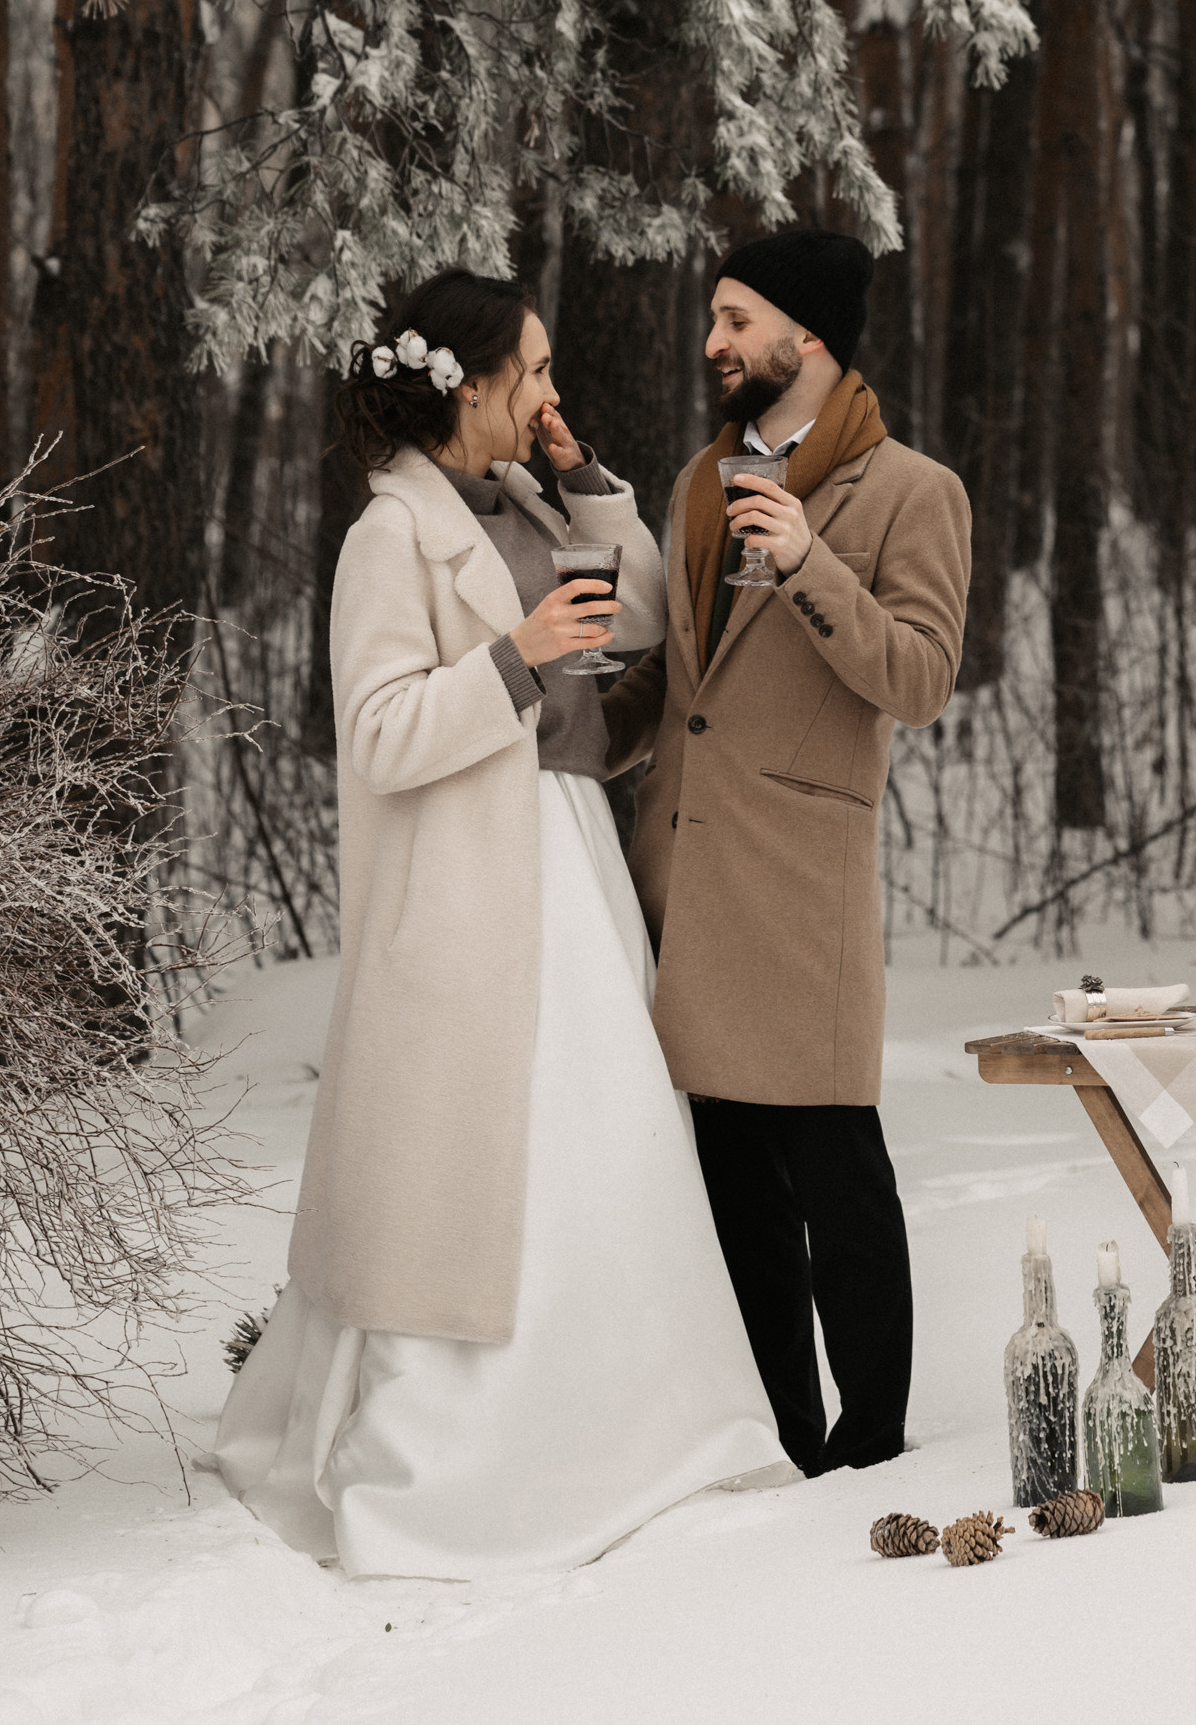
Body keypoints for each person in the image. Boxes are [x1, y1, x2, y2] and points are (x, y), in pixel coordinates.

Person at [217, 267, 788, 1578]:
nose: (547, 391)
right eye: (530, 371)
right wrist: (514, 656)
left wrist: (583, 479)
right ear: (465, 384)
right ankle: (459, 1461)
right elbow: (377, 733)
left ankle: (644, 1429)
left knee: (609, 1137)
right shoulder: (389, 538)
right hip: (469, 882)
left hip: (571, 860)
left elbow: (641, 615)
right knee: (483, 1161)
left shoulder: (530, 499)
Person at [615, 226, 971, 1478]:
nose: (711, 340)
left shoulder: (912, 491)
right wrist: (556, 721)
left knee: (837, 1170)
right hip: (684, 873)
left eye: (735, 317)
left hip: (803, 878)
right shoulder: (694, 481)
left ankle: (872, 1443)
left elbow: (919, 678)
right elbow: (681, 685)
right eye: (712, 317)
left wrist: (809, 561)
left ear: (806, 334)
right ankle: (785, 1439)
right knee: (731, 1185)